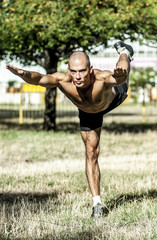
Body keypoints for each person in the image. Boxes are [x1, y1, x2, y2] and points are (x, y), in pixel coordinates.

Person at [6, 41, 134, 219]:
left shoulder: (101, 78)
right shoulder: (63, 80)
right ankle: (97, 204)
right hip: (89, 112)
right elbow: (39, 79)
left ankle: (125, 52)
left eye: (82, 70)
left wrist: (121, 74)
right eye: (73, 71)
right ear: (68, 70)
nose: (78, 76)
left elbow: (118, 78)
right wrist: (23, 74)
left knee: (122, 71)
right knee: (91, 152)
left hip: (113, 96)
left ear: (90, 69)